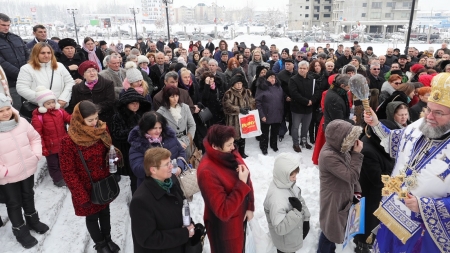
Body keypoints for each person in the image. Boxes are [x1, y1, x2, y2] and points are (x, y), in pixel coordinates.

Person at [364, 72, 450, 253]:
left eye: (439, 113)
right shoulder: (421, 124)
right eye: (428, 109)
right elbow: (397, 141)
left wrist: (426, 206)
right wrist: (377, 124)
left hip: (426, 231)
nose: (430, 117)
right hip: (394, 210)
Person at [59, 100, 122, 253]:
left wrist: (114, 158)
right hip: (86, 187)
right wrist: (81, 195)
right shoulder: (69, 141)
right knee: (92, 217)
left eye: (96, 118)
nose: (94, 123)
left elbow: (108, 150)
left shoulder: (101, 129)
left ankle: (108, 238)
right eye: (90, 120)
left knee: (105, 212)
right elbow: (68, 171)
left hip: (103, 182)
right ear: (80, 120)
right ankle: (100, 244)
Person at [0, 93, 48, 249]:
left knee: (28, 195)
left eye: (7, 108)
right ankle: (20, 230)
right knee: (13, 203)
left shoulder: (21, 122)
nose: (6, 113)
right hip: (8, 176)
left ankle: (33, 220)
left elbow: (34, 138)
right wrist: (4, 172)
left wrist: (35, 155)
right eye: (1, 111)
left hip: (27, 168)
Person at [197, 124, 255, 253]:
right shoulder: (207, 172)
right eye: (229, 145)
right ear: (215, 147)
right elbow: (223, 211)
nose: (233, 147)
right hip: (225, 231)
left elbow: (247, 176)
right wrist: (241, 183)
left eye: (233, 143)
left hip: (239, 221)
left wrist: (250, 206)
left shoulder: (229, 153)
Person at [129, 147, 195, 253]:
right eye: (166, 164)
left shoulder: (171, 180)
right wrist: (183, 234)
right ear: (153, 170)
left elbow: (181, 206)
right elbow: (148, 239)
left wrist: (190, 224)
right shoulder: (140, 201)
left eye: (170, 162)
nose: (172, 166)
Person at [353, 119, 399, 253]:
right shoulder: (368, 151)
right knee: (368, 222)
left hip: (378, 194)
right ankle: (362, 245)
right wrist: (397, 176)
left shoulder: (380, 145)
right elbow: (378, 179)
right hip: (370, 195)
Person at [318, 119, 364, 253]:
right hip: (333, 199)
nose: (354, 142)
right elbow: (352, 176)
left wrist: (357, 191)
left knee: (334, 227)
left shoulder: (340, 148)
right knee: (330, 230)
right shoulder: (329, 156)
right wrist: (356, 153)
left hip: (342, 195)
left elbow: (351, 173)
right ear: (340, 138)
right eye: (350, 138)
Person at [263, 153, 311, 253]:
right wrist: (297, 212)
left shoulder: (288, 183)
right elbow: (280, 228)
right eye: (292, 176)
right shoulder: (276, 199)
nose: (295, 179)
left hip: (292, 235)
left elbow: (299, 199)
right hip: (285, 243)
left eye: (295, 175)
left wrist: (306, 219)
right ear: (282, 174)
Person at [128, 111, 186, 188]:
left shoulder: (169, 137)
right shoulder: (138, 144)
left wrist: (179, 167)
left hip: (174, 184)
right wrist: (160, 168)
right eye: (154, 128)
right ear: (146, 128)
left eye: (160, 127)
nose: (158, 131)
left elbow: (181, 152)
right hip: (152, 187)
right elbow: (137, 169)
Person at [111, 88, 151, 195]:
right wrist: (135, 130)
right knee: (135, 178)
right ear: (126, 104)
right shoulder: (118, 117)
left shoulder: (141, 115)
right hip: (128, 151)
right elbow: (117, 134)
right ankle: (136, 202)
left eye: (137, 103)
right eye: (132, 103)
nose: (135, 105)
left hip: (143, 150)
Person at [16, 42, 74, 114]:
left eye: (49, 53)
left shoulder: (59, 66)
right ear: (36, 54)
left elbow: (70, 82)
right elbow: (22, 88)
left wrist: (64, 98)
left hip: (59, 107)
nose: (46, 55)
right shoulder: (27, 69)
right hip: (39, 109)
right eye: (42, 53)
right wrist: (44, 100)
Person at [31, 86, 71, 187]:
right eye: (48, 103)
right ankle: (58, 179)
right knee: (53, 164)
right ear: (42, 104)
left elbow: (69, 119)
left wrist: (78, 119)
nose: (52, 105)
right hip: (50, 147)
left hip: (62, 143)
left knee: (64, 161)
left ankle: (66, 176)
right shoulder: (38, 117)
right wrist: (43, 148)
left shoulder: (60, 112)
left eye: (53, 102)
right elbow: (38, 135)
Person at [67, 61, 115, 128]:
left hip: (105, 119)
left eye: (94, 70)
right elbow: (74, 105)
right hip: (86, 122)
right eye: (88, 71)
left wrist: (95, 109)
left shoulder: (108, 84)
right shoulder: (76, 88)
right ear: (83, 74)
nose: (92, 73)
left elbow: (110, 101)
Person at [157, 85, 196, 159]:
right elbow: (162, 132)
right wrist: (177, 142)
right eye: (172, 97)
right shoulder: (160, 112)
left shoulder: (185, 107)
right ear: (166, 98)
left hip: (186, 142)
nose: (175, 99)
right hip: (171, 145)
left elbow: (192, 125)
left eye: (177, 96)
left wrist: (187, 139)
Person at [0, 13, 29, 110]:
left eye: (8, 25)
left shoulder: (15, 38)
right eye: (3, 25)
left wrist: (27, 71)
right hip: (10, 84)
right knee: (16, 109)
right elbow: (2, 64)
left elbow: (27, 54)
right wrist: (20, 74)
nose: (6, 28)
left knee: (29, 108)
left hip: (26, 81)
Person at [289, 61, 320, 152]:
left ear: (307, 69)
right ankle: (295, 143)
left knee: (306, 126)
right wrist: (306, 101)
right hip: (297, 108)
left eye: (304, 68)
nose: (302, 70)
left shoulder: (312, 79)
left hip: (309, 108)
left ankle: (304, 141)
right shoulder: (293, 79)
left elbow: (317, 91)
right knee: (295, 127)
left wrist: (312, 101)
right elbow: (294, 93)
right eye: (300, 68)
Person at [222, 74, 256, 158]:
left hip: (245, 119)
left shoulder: (247, 91)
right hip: (234, 120)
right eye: (237, 83)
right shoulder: (229, 93)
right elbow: (227, 106)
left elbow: (252, 101)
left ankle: (242, 152)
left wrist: (250, 107)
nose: (239, 85)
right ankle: (234, 154)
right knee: (234, 138)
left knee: (243, 136)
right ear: (233, 84)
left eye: (240, 83)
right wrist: (239, 109)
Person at [255, 70, 284, 155]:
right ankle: (263, 147)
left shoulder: (278, 87)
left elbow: (281, 99)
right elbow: (258, 102)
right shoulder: (262, 87)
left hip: (277, 113)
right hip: (266, 114)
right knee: (265, 133)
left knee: (275, 131)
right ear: (266, 78)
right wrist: (262, 115)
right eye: (271, 77)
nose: (273, 79)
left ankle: (273, 145)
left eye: (274, 77)